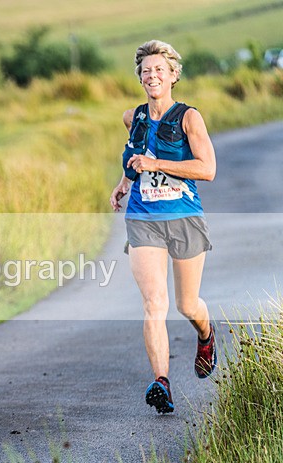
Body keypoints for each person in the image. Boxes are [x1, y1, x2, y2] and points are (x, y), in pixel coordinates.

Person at [110, 40, 217, 414]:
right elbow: (135, 153)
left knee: (188, 305)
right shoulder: (133, 117)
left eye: (159, 70)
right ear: (139, 78)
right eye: (146, 70)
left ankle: (206, 334)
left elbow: (207, 169)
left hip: (184, 217)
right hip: (143, 219)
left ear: (173, 75)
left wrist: (157, 165)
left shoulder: (189, 118)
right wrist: (125, 181)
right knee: (154, 303)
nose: (152, 75)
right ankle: (162, 382)